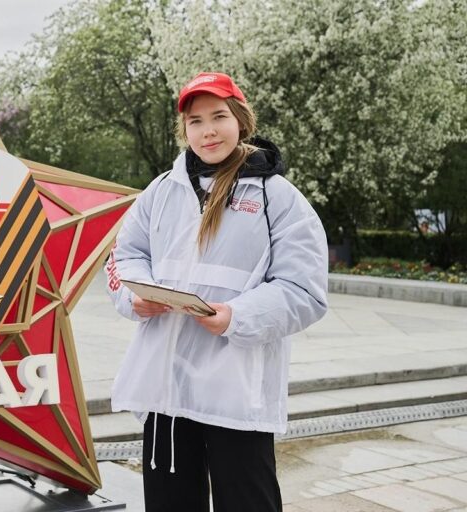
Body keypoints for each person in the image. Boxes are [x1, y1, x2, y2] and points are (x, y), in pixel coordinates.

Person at [104, 72, 328, 511]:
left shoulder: (277, 197)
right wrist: (134, 296)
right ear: (184, 130)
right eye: (196, 121)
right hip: (167, 385)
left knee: (247, 501)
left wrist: (236, 317)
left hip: (236, 389)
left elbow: (305, 289)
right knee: (169, 503)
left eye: (219, 117)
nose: (208, 130)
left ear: (240, 120)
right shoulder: (161, 191)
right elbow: (124, 254)